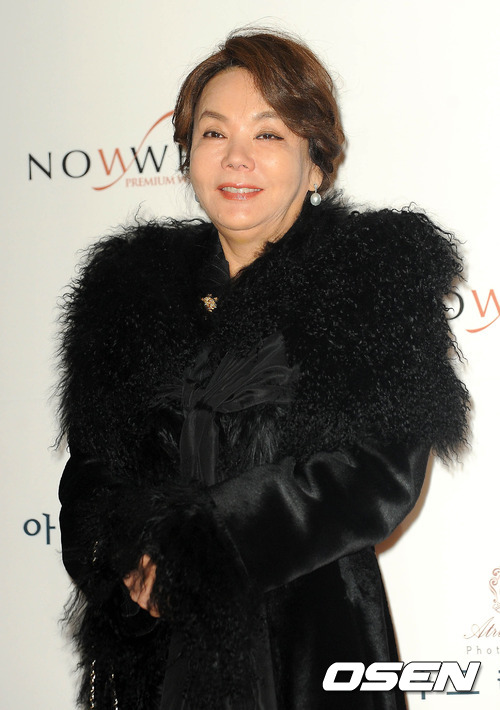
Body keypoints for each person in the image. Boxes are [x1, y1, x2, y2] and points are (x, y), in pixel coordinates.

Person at [58, 29, 468, 710]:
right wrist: (130, 564)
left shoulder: (368, 282)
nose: (236, 157)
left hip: (312, 650)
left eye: (269, 134)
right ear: (189, 155)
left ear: (317, 165)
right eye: (214, 133)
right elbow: (92, 471)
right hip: (161, 655)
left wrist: (204, 545)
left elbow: (379, 473)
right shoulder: (128, 293)